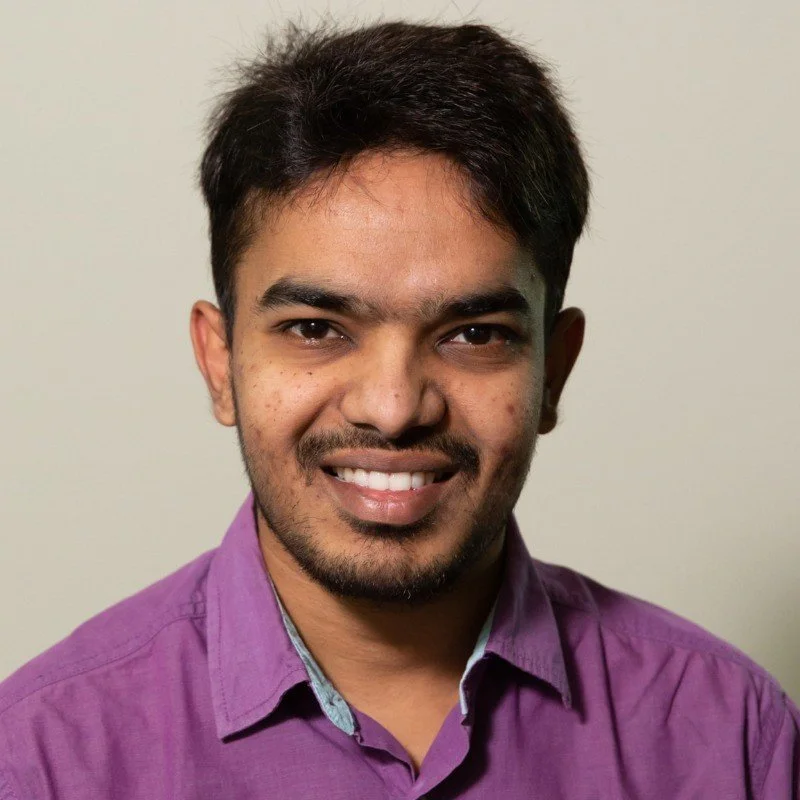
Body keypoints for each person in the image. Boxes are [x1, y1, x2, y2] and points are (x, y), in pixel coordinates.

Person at [0, 19, 797, 799]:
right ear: (220, 360)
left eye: (473, 334)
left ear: (555, 368)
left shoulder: (733, 737)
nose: (392, 408)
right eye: (315, 329)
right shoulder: (40, 759)